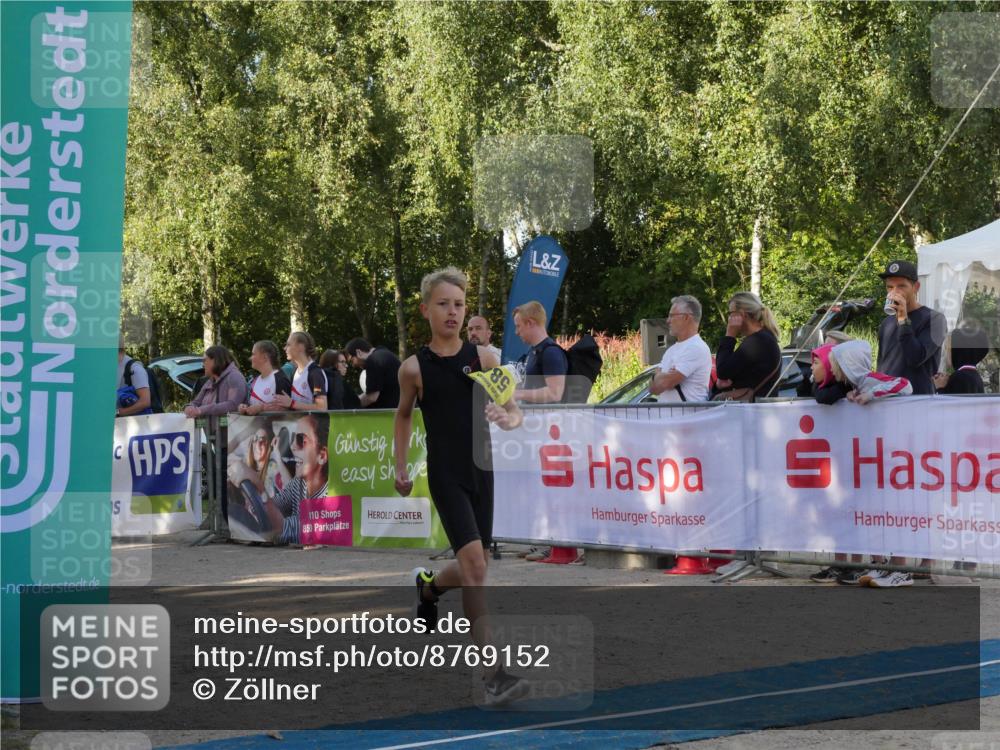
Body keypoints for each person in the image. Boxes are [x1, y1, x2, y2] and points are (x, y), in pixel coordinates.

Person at [393, 267, 527, 707]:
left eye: (460, 305)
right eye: (444, 304)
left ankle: (429, 588)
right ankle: (493, 675)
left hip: (481, 472)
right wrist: (400, 467)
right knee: (475, 569)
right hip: (446, 475)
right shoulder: (414, 369)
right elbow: (403, 416)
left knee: (477, 566)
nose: (453, 312)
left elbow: (514, 411)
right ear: (425, 309)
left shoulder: (485, 359)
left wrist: (508, 419)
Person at [876, 259, 948, 395]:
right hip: (887, 399)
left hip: (917, 400)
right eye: (890, 287)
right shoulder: (887, 323)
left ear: (916, 287)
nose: (894, 292)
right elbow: (882, 365)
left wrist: (903, 319)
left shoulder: (935, 319)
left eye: (901, 286)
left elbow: (916, 358)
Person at [265, 413, 330, 545]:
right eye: (293, 439)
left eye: (301, 440)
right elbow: (276, 505)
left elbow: (287, 529)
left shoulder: (330, 494)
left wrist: (259, 489)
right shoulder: (298, 483)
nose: (293, 446)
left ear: (322, 456)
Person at [713, 292, 782, 401]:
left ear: (742, 314)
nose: (729, 318)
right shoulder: (764, 338)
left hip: (750, 412)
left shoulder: (757, 341)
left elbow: (722, 371)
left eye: (730, 313)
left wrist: (729, 335)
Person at [648, 295, 712, 403]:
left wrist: (658, 375)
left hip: (687, 418)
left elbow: (665, 383)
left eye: (672, 316)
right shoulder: (671, 350)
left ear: (686, 317)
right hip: (669, 418)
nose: (668, 321)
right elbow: (652, 389)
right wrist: (661, 377)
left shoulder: (696, 348)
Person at [511, 300, 566, 404]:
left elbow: (555, 393)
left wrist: (519, 394)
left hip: (547, 419)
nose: (516, 332)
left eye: (518, 326)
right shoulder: (534, 351)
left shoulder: (551, 352)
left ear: (530, 323)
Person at [183, 346, 248, 419]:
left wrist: (201, 410)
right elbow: (196, 402)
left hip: (233, 430)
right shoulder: (209, 382)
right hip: (211, 430)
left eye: (205, 360)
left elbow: (233, 405)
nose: (202, 365)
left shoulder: (234, 377)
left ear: (215, 360)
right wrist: (189, 407)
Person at [274, 332, 328, 412]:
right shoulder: (295, 372)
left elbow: (322, 407)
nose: (285, 348)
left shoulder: (315, 373)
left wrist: (291, 403)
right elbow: (295, 405)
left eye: (288, 345)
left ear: (301, 347)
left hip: (314, 424)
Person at [344, 338, 401, 409]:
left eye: (351, 360)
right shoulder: (383, 353)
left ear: (359, 352)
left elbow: (371, 397)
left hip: (389, 414)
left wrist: (349, 406)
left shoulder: (373, 361)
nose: (353, 365)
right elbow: (373, 391)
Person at [239, 340, 292, 416]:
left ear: (265, 357)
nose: (250, 358)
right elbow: (253, 406)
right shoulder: (255, 380)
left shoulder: (280, 379)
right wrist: (245, 408)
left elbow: (287, 409)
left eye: (253, 354)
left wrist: (261, 408)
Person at [933, 325, 989, 394]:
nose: (945, 353)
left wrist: (939, 387)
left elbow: (949, 404)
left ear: (958, 351)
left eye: (947, 349)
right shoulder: (971, 375)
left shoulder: (960, 377)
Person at [116, 342, 152, 417]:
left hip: (138, 423)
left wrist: (118, 413)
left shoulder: (135, 368)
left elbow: (145, 402)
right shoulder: (113, 365)